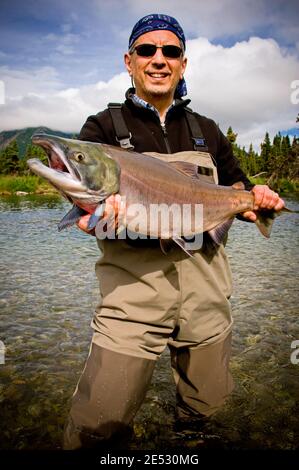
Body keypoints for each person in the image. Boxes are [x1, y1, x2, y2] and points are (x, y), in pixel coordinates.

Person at [63, 14, 284, 450]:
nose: (158, 59)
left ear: (183, 63)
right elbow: (85, 201)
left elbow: (236, 189)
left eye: (171, 51)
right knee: (97, 429)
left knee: (208, 422)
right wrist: (91, 221)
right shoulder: (102, 128)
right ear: (129, 61)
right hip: (132, 296)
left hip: (207, 295)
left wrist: (256, 201)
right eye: (147, 50)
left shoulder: (208, 131)